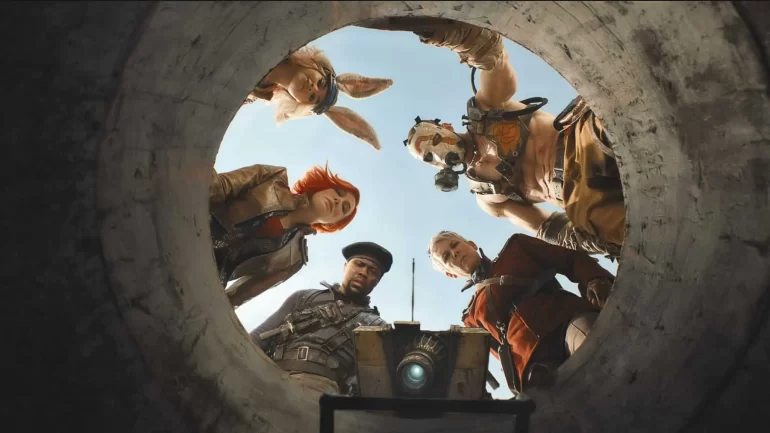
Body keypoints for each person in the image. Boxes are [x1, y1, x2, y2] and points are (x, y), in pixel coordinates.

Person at [361, 18, 624, 258]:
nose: (438, 153)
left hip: (581, 141)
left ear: (447, 127)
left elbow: (494, 58)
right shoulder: (487, 196)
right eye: (429, 157)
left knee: (614, 124)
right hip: (581, 198)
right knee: (617, 227)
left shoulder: (488, 110)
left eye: (436, 140)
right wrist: (592, 240)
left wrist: (455, 34)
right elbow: (545, 226)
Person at [428, 230, 615, 392]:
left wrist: (594, 279)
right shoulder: (471, 318)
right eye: (446, 257)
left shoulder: (516, 248)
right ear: (450, 274)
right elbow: (499, 356)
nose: (454, 253)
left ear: (471, 244)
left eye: (455, 245)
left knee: (594, 348)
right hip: (534, 366)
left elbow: (569, 258)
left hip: (566, 321)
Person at [249, 242, 393, 397]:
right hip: (270, 375)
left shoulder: (376, 326)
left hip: (321, 390)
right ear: (345, 266)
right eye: (359, 264)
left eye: (372, 271)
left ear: (377, 281)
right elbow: (258, 338)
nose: (363, 272)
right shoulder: (304, 297)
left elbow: (369, 382)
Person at [209, 162, 360, 308]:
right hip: (198, 225)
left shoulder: (294, 260)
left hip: (208, 275)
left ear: (332, 224)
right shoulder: (273, 178)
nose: (338, 201)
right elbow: (217, 187)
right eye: (338, 193)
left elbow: (238, 296)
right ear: (324, 187)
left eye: (344, 208)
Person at [244, 45, 394, 150]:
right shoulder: (285, 38)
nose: (313, 88)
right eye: (321, 82)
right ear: (318, 68)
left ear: (299, 103)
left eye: (312, 97)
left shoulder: (250, 92)